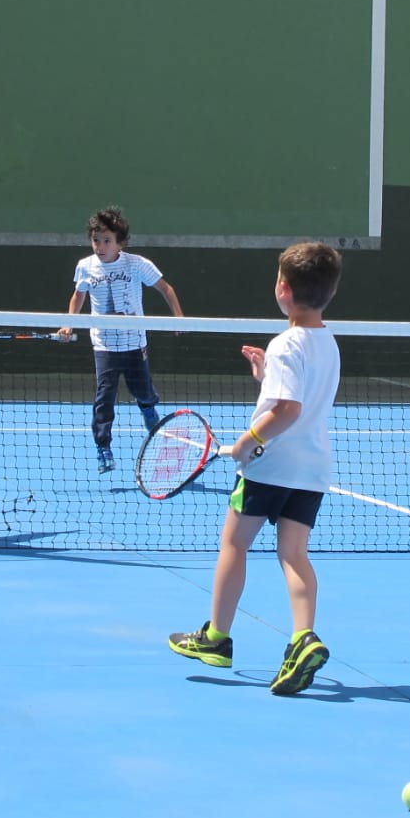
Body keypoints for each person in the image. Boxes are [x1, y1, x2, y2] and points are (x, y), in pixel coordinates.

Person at [168, 241, 343, 696]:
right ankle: (303, 638)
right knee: (294, 554)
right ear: (329, 292)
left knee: (234, 543)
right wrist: (266, 378)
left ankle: (216, 637)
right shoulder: (327, 342)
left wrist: (249, 442)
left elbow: (287, 410)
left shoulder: (285, 343)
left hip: (270, 467)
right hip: (312, 469)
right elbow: (296, 396)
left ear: (282, 289)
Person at [57, 206, 184, 473]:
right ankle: (103, 447)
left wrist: (178, 318)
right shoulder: (85, 267)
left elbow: (166, 288)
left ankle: (148, 410)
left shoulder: (137, 264)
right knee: (104, 397)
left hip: (134, 344)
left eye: (107, 241)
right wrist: (69, 323)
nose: (100, 247)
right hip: (104, 346)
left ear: (120, 243)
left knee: (143, 392)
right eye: (96, 240)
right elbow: (78, 295)